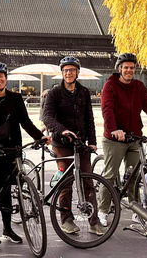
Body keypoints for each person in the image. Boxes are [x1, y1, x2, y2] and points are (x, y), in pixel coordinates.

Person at [0, 62, 49, 248]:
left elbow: (25, 121)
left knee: (8, 188)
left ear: (6, 78)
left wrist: (40, 137)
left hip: (11, 150)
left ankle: (7, 229)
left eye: (1, 76)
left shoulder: (16, 98)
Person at [98, 53, 147, 225]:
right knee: (109, 175)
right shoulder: (110, 86)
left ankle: (135, 211)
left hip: (134, 137)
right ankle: (102, 210)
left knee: (133, 176)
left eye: (132, 68)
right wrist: (114, 129)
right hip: (115, 139)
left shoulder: (138, 86)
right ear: (120, 69)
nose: (129, 70)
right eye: (126, 67)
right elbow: (107, 110)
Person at [42, 56, 102, 236]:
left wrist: (92, 142)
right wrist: (63, 131)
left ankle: (94, 221)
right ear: (62, 73)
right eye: (65, 70)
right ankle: (66, 219)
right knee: (66, 182)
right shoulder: (54, 93)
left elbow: (89, 118)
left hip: (81, 144)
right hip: (61, 144)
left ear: (77, 72)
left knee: (88, 181)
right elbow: (48, 118)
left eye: (72, 70)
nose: (69, 73)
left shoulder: (83, 92)